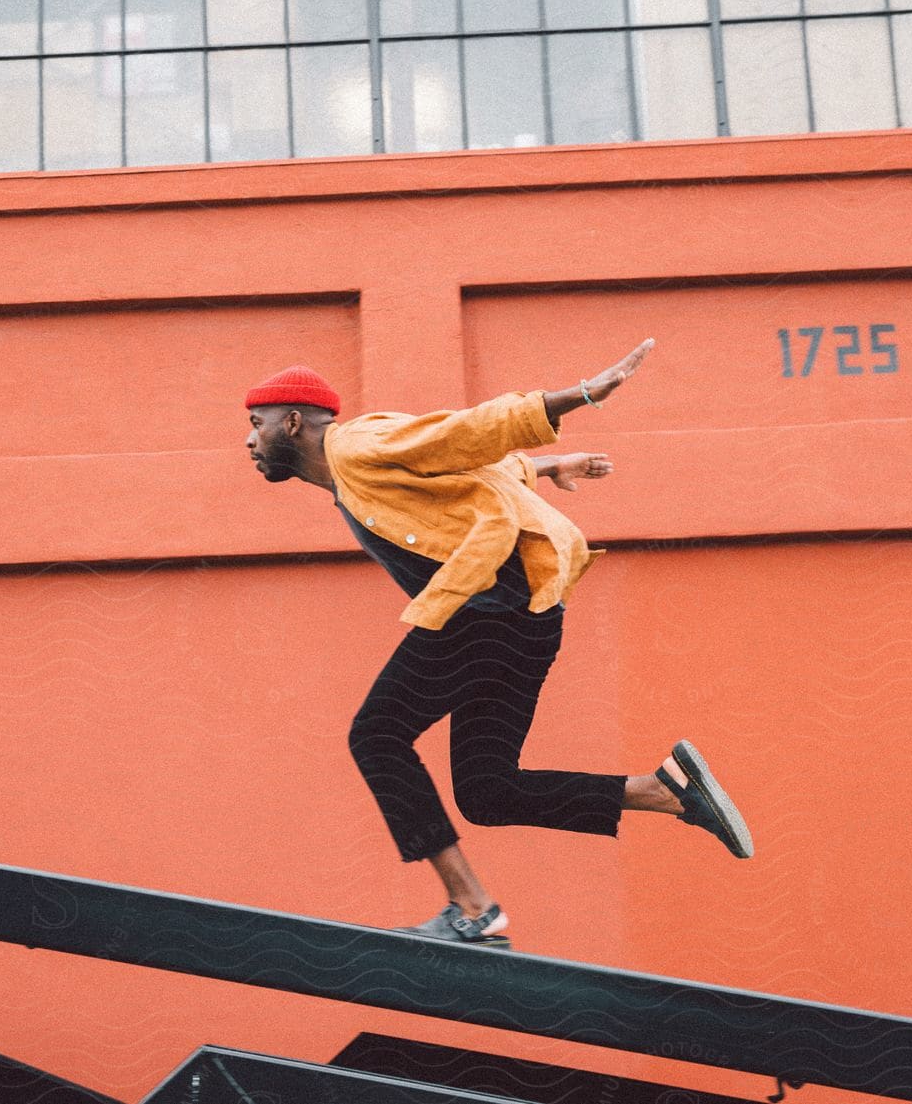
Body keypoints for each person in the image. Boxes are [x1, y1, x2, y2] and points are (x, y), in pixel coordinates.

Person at [243, 339, 751, 947]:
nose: (248, 441)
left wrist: (577, 395)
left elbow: (462, 434)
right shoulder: (355, 472)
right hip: (527, 616)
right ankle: (663, 791)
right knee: (488, 791)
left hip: (490, 605)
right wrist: (547, 467)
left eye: (256, 424)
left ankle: (473, 910)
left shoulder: (353, 446)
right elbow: (458, 467)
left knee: (376, 734)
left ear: (293, 421)